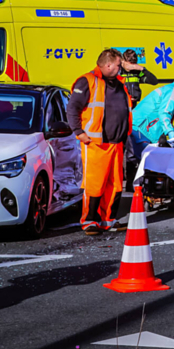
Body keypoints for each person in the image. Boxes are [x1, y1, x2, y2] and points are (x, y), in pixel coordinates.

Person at [69, 49, 133, 235]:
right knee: (95, 184)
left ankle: (108, 220)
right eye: (119, 65)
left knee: (115, 184)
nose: (121, 68)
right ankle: (89, 221)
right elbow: (73, 108)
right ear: (108, 65)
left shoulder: (119, 83)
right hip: (95, 142)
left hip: (116, 142)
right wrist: (79, 132)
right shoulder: (88, 81)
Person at [129, 76, 174, 162]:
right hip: (141, 129)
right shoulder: (173, 91)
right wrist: (170, 131)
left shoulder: (170, 89)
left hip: (139, 126)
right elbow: (164, 114)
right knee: (143, 162)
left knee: (140, 161)